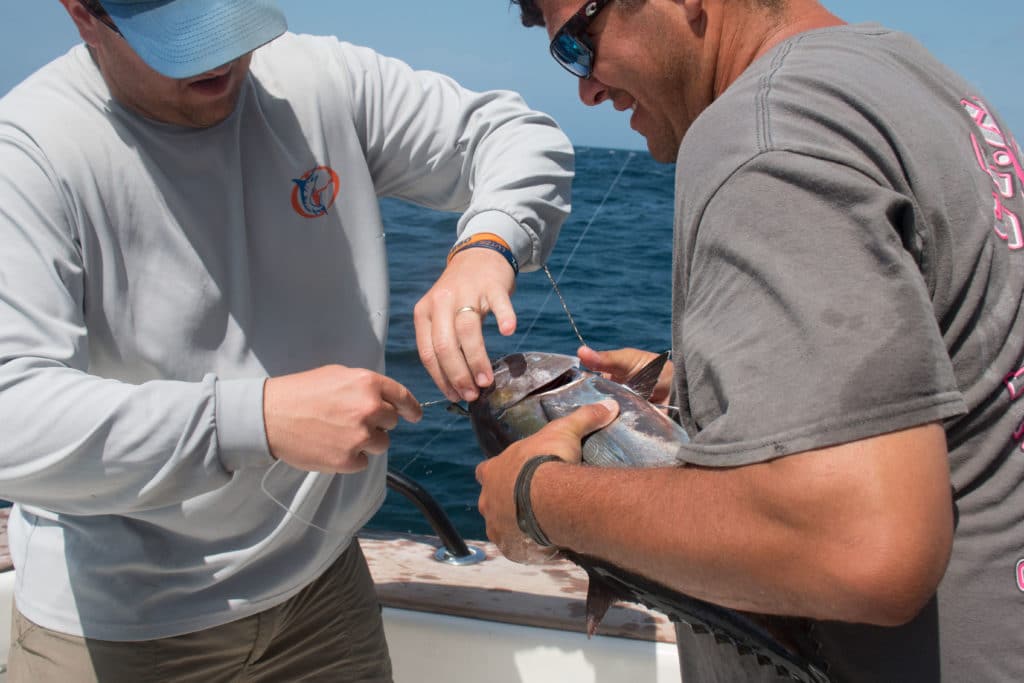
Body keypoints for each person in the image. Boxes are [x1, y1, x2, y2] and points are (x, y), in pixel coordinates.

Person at [0, 1, 573, 681]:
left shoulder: (314, 79)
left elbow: (515, 134)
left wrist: (488, 244)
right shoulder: (29, 153)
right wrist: (256, 419)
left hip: (325, 598)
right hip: (120, 628)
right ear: (84, 16)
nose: (219, 59)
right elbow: (14, 413)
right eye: (182, 42)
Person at [476, 0, 1024, 680]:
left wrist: (539, 499)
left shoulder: (763, 133)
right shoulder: (912, 79)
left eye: (579, 41)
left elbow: (859, 544)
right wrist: (725, 389)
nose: (584, 85)